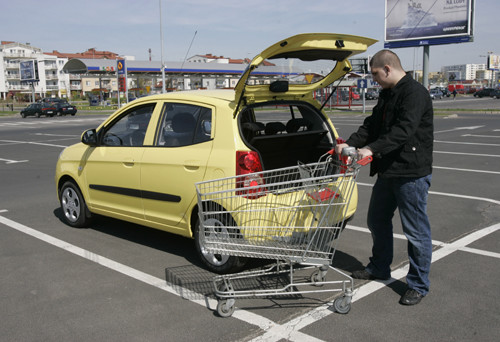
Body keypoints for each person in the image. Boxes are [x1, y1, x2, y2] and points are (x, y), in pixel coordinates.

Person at [335, 49, 433, 306]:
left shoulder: (414, 93)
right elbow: (372, 124)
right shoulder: (387, 93)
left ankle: (418, 284)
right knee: (377, 221)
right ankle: (379, 267)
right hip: (388, 171)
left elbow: (404, 130)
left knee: (415, 231)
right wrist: (351, 144)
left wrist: (371, 149)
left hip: (411, 173)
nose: (374, 79)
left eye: (376, 74)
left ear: (388, 69)